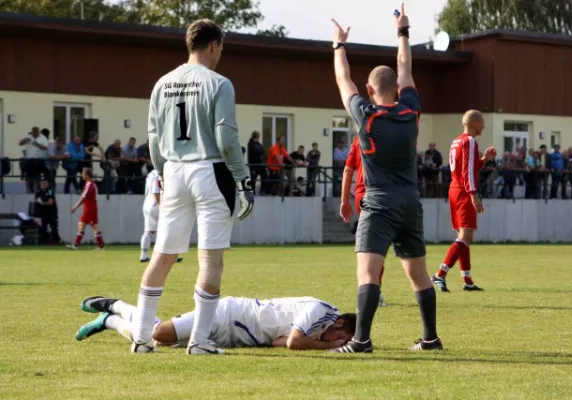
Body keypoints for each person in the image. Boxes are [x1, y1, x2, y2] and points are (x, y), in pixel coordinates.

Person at [131, 19, 254, 356]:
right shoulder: (219, 83)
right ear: (214, 45)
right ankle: (199, 340)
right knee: (210, 258)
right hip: (209, 170)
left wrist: (161, 171)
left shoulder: (162, 83)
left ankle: (141, 337)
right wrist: (242, 178)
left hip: (173, 170)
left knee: (163, 255)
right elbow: (226, 136)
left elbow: (153, 138)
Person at [329, 5, 441, 353]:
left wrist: (338, 45)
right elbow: (405, 66)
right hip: (410, 201)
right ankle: (430, 338)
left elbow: (342, 80)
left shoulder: (367, 117)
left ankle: (361, 341)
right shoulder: (411, 112)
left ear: (370, 88)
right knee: (419, 274)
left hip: (378, 203)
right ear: (397, 88)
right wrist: (403, 30)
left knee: (367, 272)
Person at [76, 295, 354, 351]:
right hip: (228, 314)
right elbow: (293, 342)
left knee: (155, 340)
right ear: (339, 321)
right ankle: (116, 306)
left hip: (232, 336)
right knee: (159, 332)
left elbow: (282, 342)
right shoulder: (320, 310)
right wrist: (326, 347)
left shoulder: (320, 326)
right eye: (340, 336)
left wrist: (319, 344)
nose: (334, 341)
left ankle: (109, 322)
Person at [432, 110, 496, 292]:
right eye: (482, 122)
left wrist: (484, 159)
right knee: (466, 236)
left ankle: (467, 280)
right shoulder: (469, 141)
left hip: (455, 189)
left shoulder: (457, 140)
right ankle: (440, 274)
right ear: (475, 123)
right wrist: (473, 194)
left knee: (464, 237)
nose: (483, 126)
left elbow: (468, 167)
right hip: (463, 191)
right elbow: (468, 171)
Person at [340, 136, 387, 308]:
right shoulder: (389, 132)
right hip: (381, 194)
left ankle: (370, 290)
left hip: (362, 195)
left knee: (371, 244)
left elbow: (348, 169)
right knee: (379, 246)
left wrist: (344, 201)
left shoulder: (358, 138)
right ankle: (373, 292)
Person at [140, 168, 183, 263]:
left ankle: (143, 255)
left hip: (147, 204)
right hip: (157, 204)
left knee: (148, 232)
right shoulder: (160, 173)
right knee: (170, 230)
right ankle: (171, 256)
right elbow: (156, 191)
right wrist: (161, 205)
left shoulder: (151, 173)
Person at [67, 167, 105, 250]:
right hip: (89, 207)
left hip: (90, 208)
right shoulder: (90, 184)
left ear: (87, 175)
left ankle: (101, 247)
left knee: (94, 227)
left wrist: (75, 207)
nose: (82, 175)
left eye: (83, 174)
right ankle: (76, 245)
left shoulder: (90, 184)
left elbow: (84, 197)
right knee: (81, 224)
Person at [35, 176, 61, 244]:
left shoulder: (49, 191)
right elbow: (36, 200)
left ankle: (55, 241)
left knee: (54, 228)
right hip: (43, 213)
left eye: (45, 183)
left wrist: (42, 203)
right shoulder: (39, 192)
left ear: (48, 184)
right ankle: (44, 241)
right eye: (43, 183)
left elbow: (50, 202)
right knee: (43, 228)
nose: (44, 185)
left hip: (52, 212)